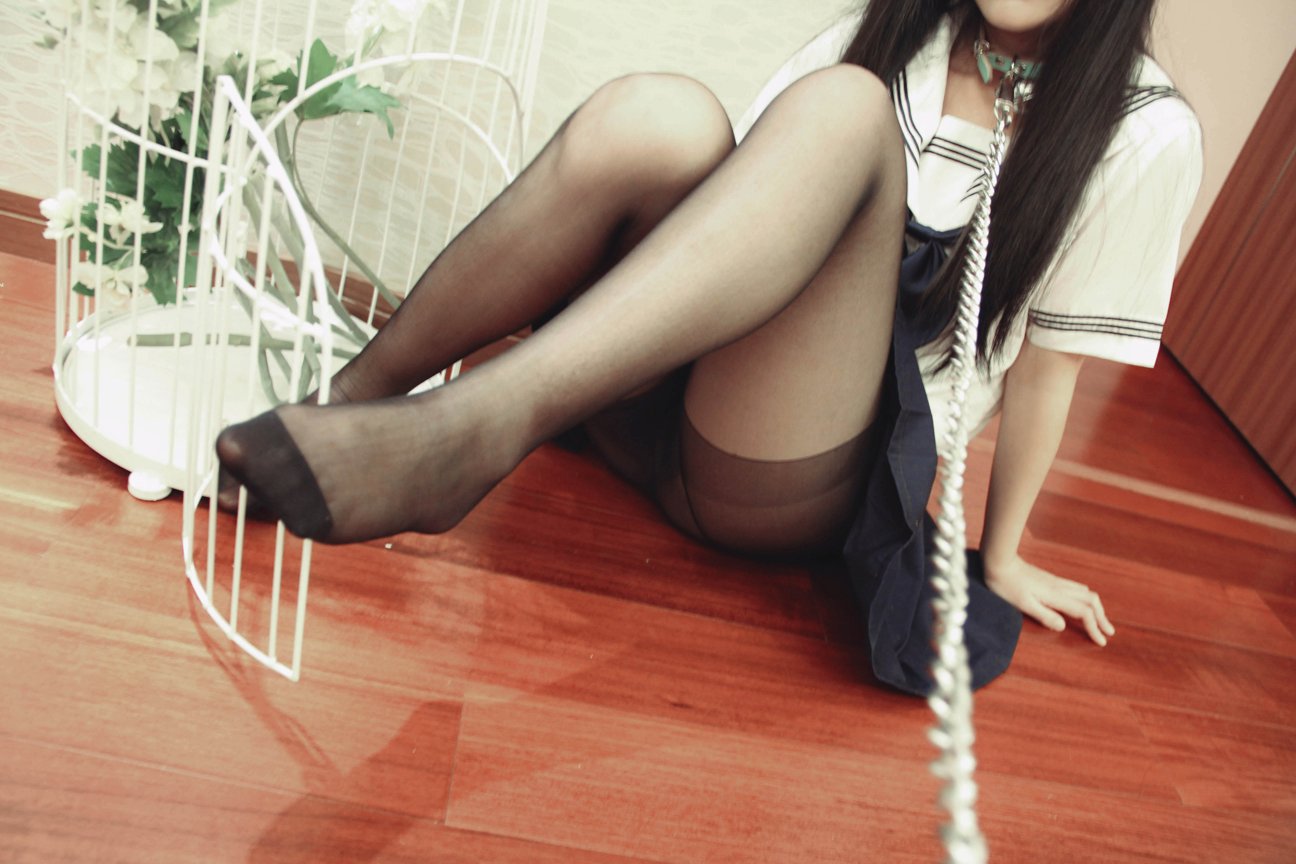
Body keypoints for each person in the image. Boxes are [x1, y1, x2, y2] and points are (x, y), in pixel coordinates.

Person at [216, 0, 1202, 694]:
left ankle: (468, 429)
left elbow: (1049, 372)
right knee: (665, 116)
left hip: (781, 475)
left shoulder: (1143, 131)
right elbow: (733, 218)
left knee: (845, 109)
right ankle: (348, 400)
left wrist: (1007, 554)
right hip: (650, 395)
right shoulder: (910, 30)